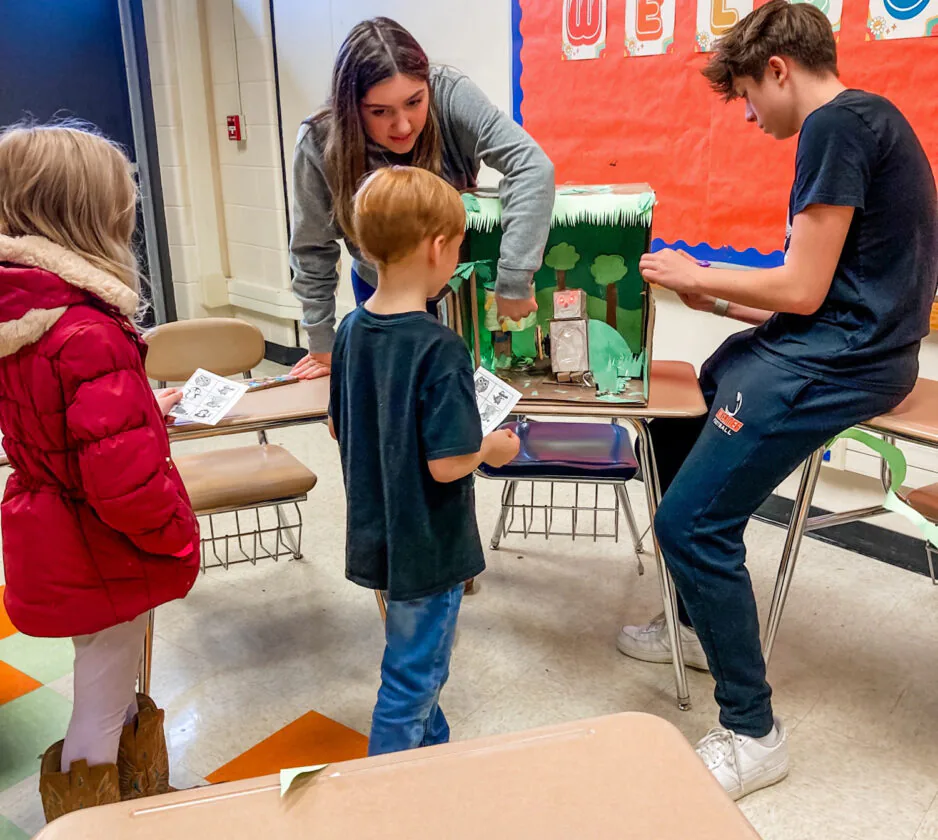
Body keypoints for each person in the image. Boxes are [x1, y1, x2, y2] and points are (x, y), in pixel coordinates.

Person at [620, 0, 938, 801]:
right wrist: (725, 305)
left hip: (848, 362)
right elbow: (829, 292)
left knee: (689, 522)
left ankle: (754, 734)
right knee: (685, 405)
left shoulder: (837, 125)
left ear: (777, 69)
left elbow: (801, 286)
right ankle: (694, 621)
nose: (752, 116)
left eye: (749, 97)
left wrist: (697, 272)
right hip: (839, 341)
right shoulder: (870, 123)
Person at [0, 124, 201, 821]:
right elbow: (125, 484)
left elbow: (59, 425)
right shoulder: (87, 332)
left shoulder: (27, 317)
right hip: (101, 544)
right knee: (102, 691)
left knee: (101, 673)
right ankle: (95, 820)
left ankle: (128, 797)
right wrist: (173, 532)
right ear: (88, 218)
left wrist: (142, 405)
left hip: (55, 531)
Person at [328, 165, 520, 755]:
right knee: (412, 678)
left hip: (377, 529)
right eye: (459, 246)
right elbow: (448, 463)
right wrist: (494, 446)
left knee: (421, 660)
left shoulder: (350, 329)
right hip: (430, 544)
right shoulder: (440, 347)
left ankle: (433, 755)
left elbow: (339, 425)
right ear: (438, 248)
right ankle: (388, 792)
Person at [289, 16, 554, 381]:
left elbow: (532, 166)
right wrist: (322, 341)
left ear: (428, 85)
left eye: (414, 102)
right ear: (351, 106)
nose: (402, 126)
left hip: (460, 283)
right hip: (382, 290)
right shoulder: (320, 140)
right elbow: (311, 248)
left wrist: (514, 278)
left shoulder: (450, 94)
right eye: (380, 112)